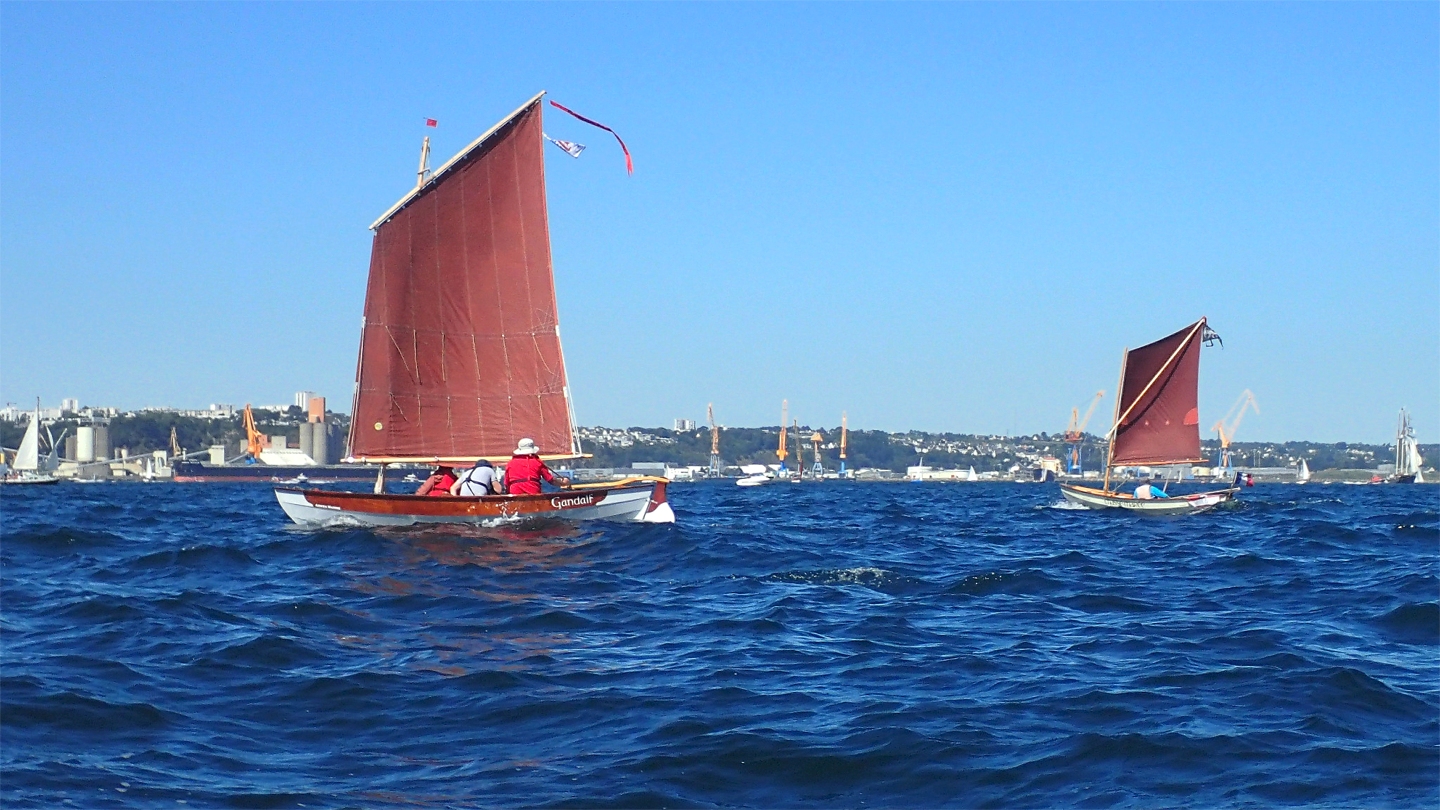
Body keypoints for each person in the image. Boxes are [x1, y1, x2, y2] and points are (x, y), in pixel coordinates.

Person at [503, 437, 570, 495]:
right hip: (533, 492)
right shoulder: (537, 462)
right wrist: (563, 483)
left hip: (514, 494)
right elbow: (550, 480)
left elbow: (506, 483)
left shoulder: (510, 463)